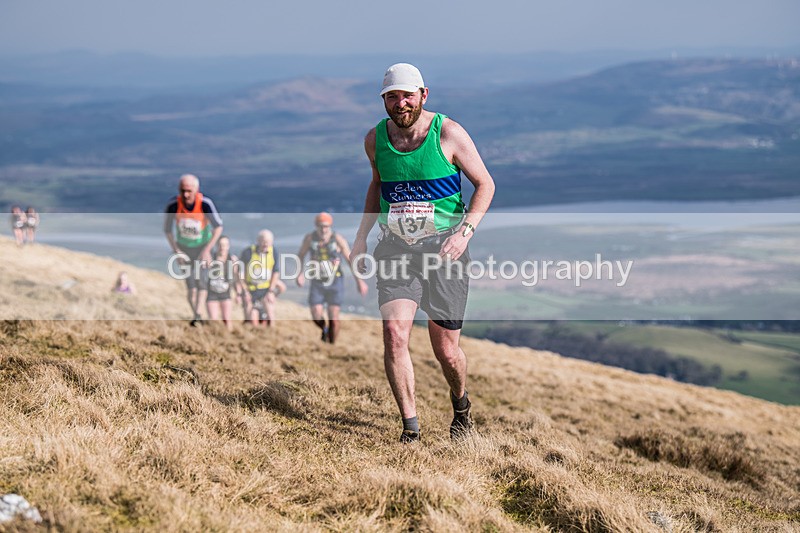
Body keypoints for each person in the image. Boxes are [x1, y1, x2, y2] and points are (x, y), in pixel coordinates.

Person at [350, 63, 495, 443]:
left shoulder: (448, 133)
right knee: (395, 333)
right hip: (396, 248)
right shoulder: (375, 139)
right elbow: (377, 185)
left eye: (407, 96)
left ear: (423, 95)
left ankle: (460, 405)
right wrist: (361, 237)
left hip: (445, 250)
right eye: (392, 97)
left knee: (446, 351)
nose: (400, 103)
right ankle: (410, 429)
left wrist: (464, 233)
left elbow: (485, 185)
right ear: (384, 100)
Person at [296, 212, 368, 344]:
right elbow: (300, 255)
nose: (323, 229)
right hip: (317, 281)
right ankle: (324, 329)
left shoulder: (338, 239)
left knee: (333, 317)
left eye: (326, 226)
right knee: (316, 313)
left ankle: (331, 345)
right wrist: (299, 274)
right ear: (316, 226)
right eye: (320, 226)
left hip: (335, 281)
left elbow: (349, 260)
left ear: (330, 226)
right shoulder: (310, 238)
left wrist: (360, 281)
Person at [163, 174, 223, 326]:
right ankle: (196, 315)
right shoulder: (173, 205)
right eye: (182, 190)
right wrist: (177, 251)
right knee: (191, 286)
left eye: (189, 191)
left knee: (201, 282)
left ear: (196, 189)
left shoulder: (205, 204)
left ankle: (198, 314)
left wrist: (207, 250)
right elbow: (167, 230)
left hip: (202, 248)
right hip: (183, 248)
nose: (185, 194)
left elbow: (218, 228)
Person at [240, 229, 283, 327]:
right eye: (263, 241)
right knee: (251, 316)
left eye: (268, 242)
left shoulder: (274, 252)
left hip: (266, 289)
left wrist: (271, 291)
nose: (265, 244)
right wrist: (244, 291)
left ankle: (272, 330)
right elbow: (240, 273)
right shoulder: (248, 252)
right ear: (258, 241)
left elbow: (276, 272)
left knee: (270, 312)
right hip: (251, 289)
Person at [206, 235, 240, 332]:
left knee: (227, 319)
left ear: (228, 246)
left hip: (225, 293)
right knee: (213, 320)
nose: (222, 247)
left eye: (225, 245)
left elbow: (236, 278)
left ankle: (228, 336)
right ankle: (215, 337)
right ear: (217, 245)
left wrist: (238, 294)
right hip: (212, 293)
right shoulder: (210, 258)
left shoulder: (232, 259)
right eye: (220, 245)